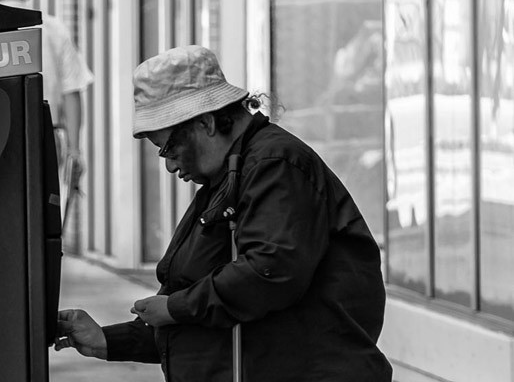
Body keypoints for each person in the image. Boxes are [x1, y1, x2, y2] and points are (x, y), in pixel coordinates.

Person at [54, 45, 393, 381]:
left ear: (206, 123)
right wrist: (108, 340)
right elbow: (202, 310)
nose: (171, 165)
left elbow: (268, 271)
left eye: (170, 148)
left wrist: (174, 308)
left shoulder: (275, 165)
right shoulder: (230, 177)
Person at [0, 0, 93, 175]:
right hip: (46, 137)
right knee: (44, 205)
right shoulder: (53, 29)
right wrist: (74, 150)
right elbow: (72, 92)